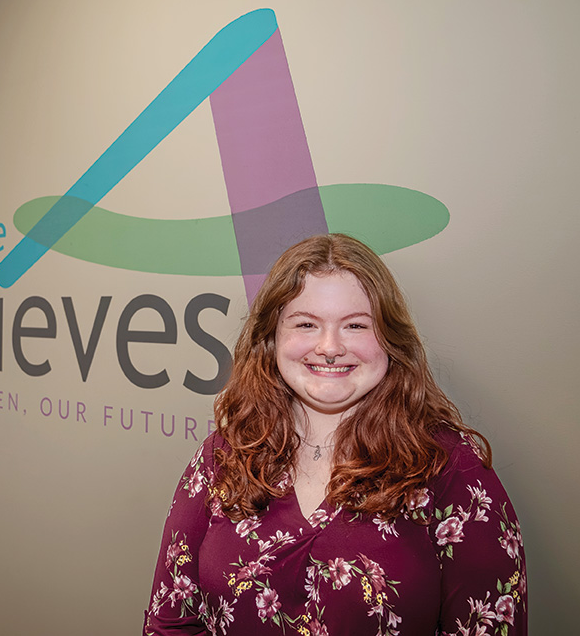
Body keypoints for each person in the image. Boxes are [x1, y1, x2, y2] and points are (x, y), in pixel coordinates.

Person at [143, 234, 526, 636]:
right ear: (272, 338)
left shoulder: (450, 470)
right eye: (306, 324)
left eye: (355, 325)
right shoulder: (224, 455)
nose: (329, 347)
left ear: (390, 340)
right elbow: (171, 621)